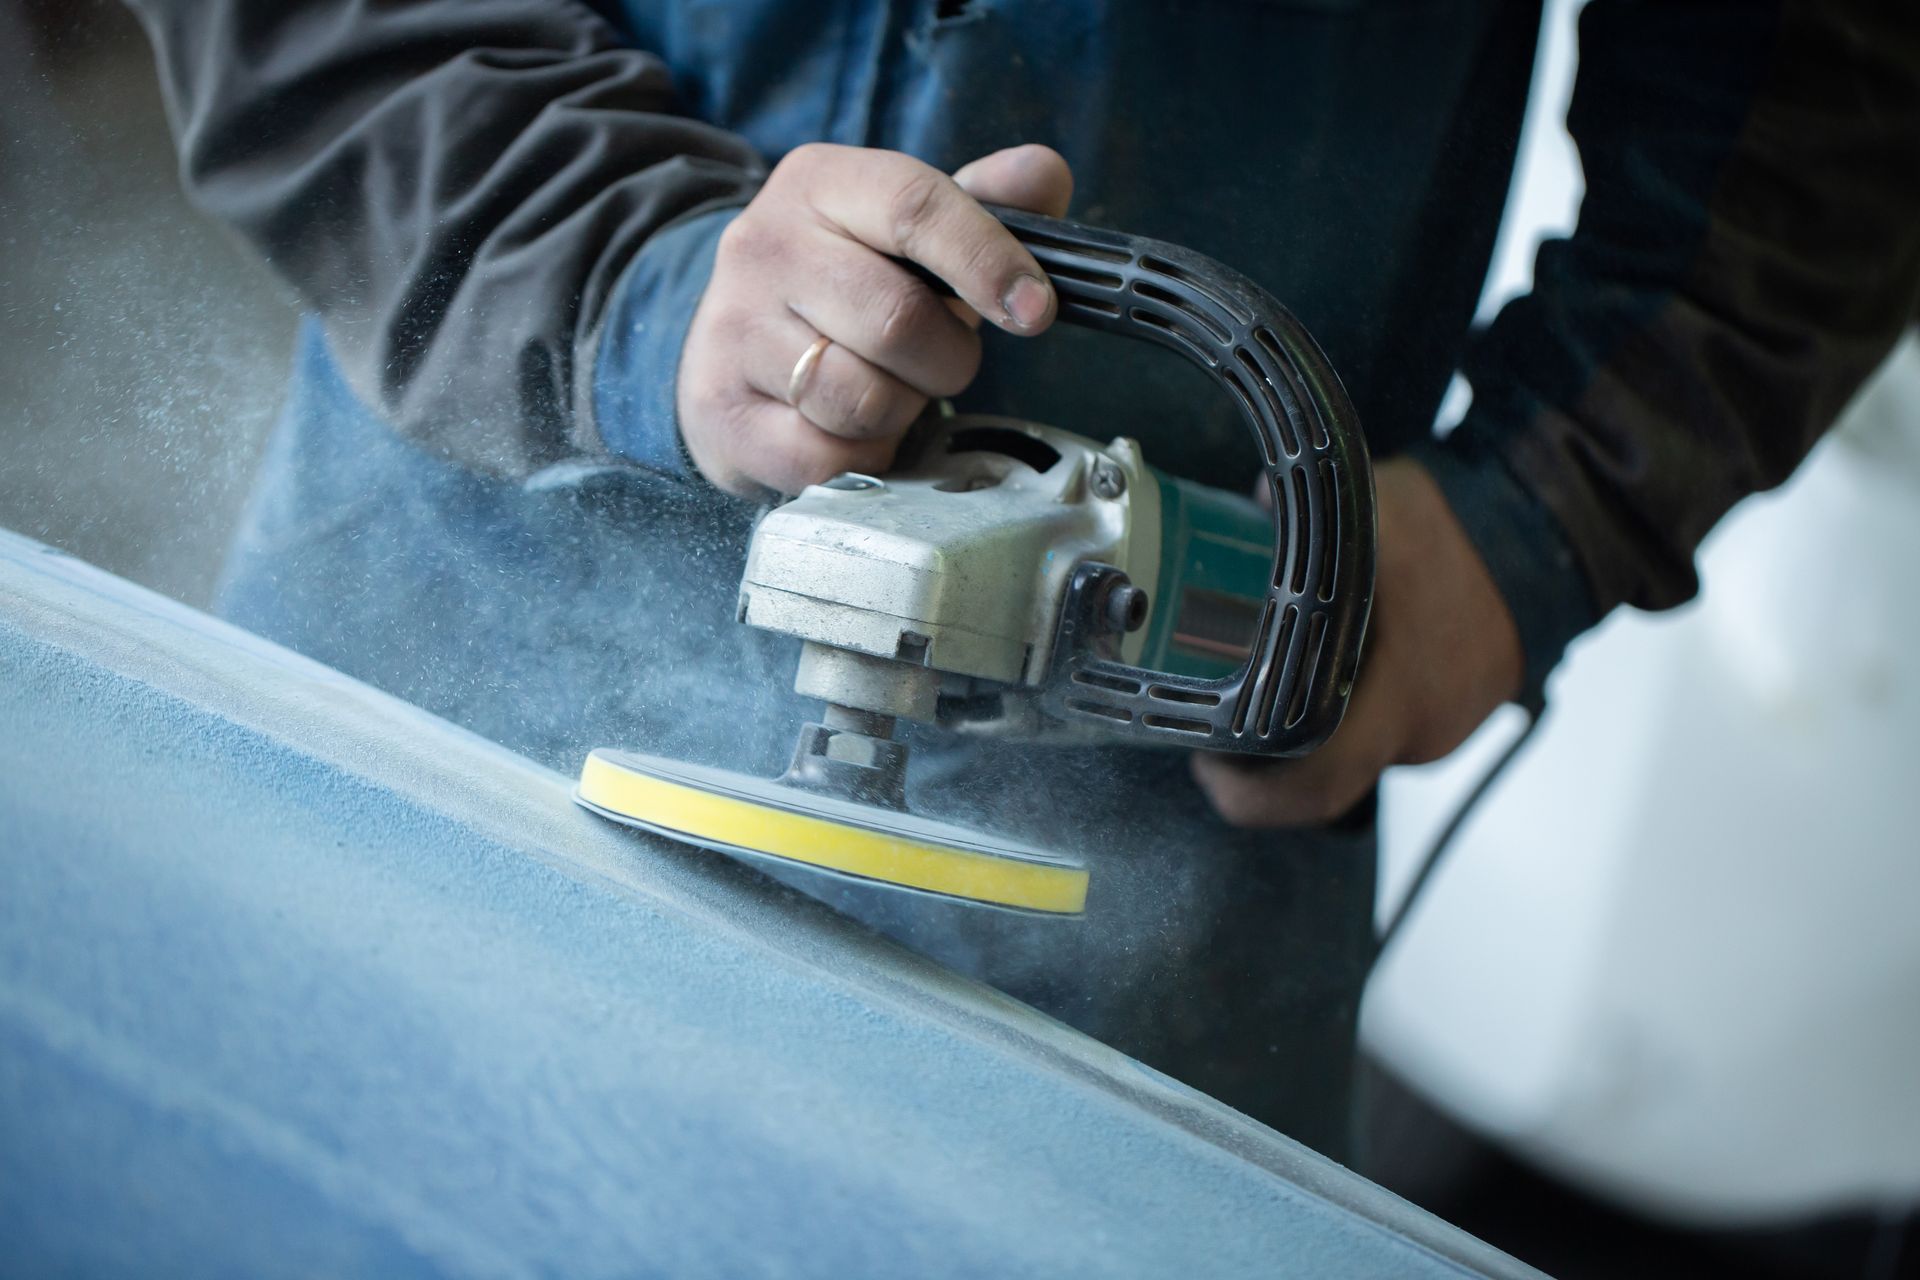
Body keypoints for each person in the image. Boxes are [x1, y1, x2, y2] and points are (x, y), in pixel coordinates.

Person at [123, 0, 1919, 1159]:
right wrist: (618, 266)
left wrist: (1542, 505)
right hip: (445, 648)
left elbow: (1835, 83)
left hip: (1162, 818)